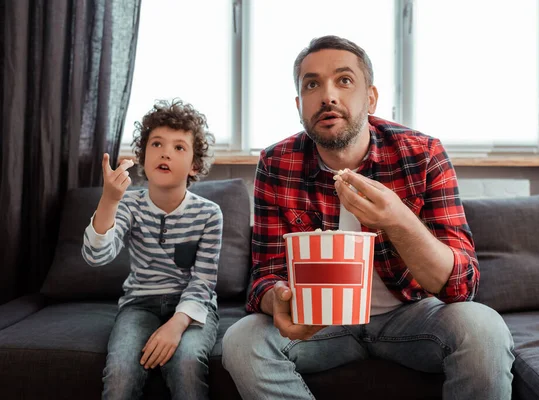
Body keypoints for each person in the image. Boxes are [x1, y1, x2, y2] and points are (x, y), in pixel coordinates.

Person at [222, 35, 514, 399]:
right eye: (312, 84)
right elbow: (264, 275)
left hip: (411, 315)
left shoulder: (422, 153)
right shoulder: (276, 162)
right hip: (320, 324)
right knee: (240, 340)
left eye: (344, 80)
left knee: (484, 328)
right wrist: (277, 300)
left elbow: (461, 285)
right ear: (299, 105)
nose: (328, 95)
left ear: (371, 98)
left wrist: (398, 220)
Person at [82, 100, 222, 400]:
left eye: (179, 147)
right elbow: (95, 256)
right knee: (120, 372)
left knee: (186, 363)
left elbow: (203, 281)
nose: (166, 152)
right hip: (139, 304)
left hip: (193, 309)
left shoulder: (210, 214)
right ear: (143, 157)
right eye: (157, 144)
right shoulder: (129, 205)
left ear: (195, 164)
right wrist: (109, 200)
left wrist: (177, 325)